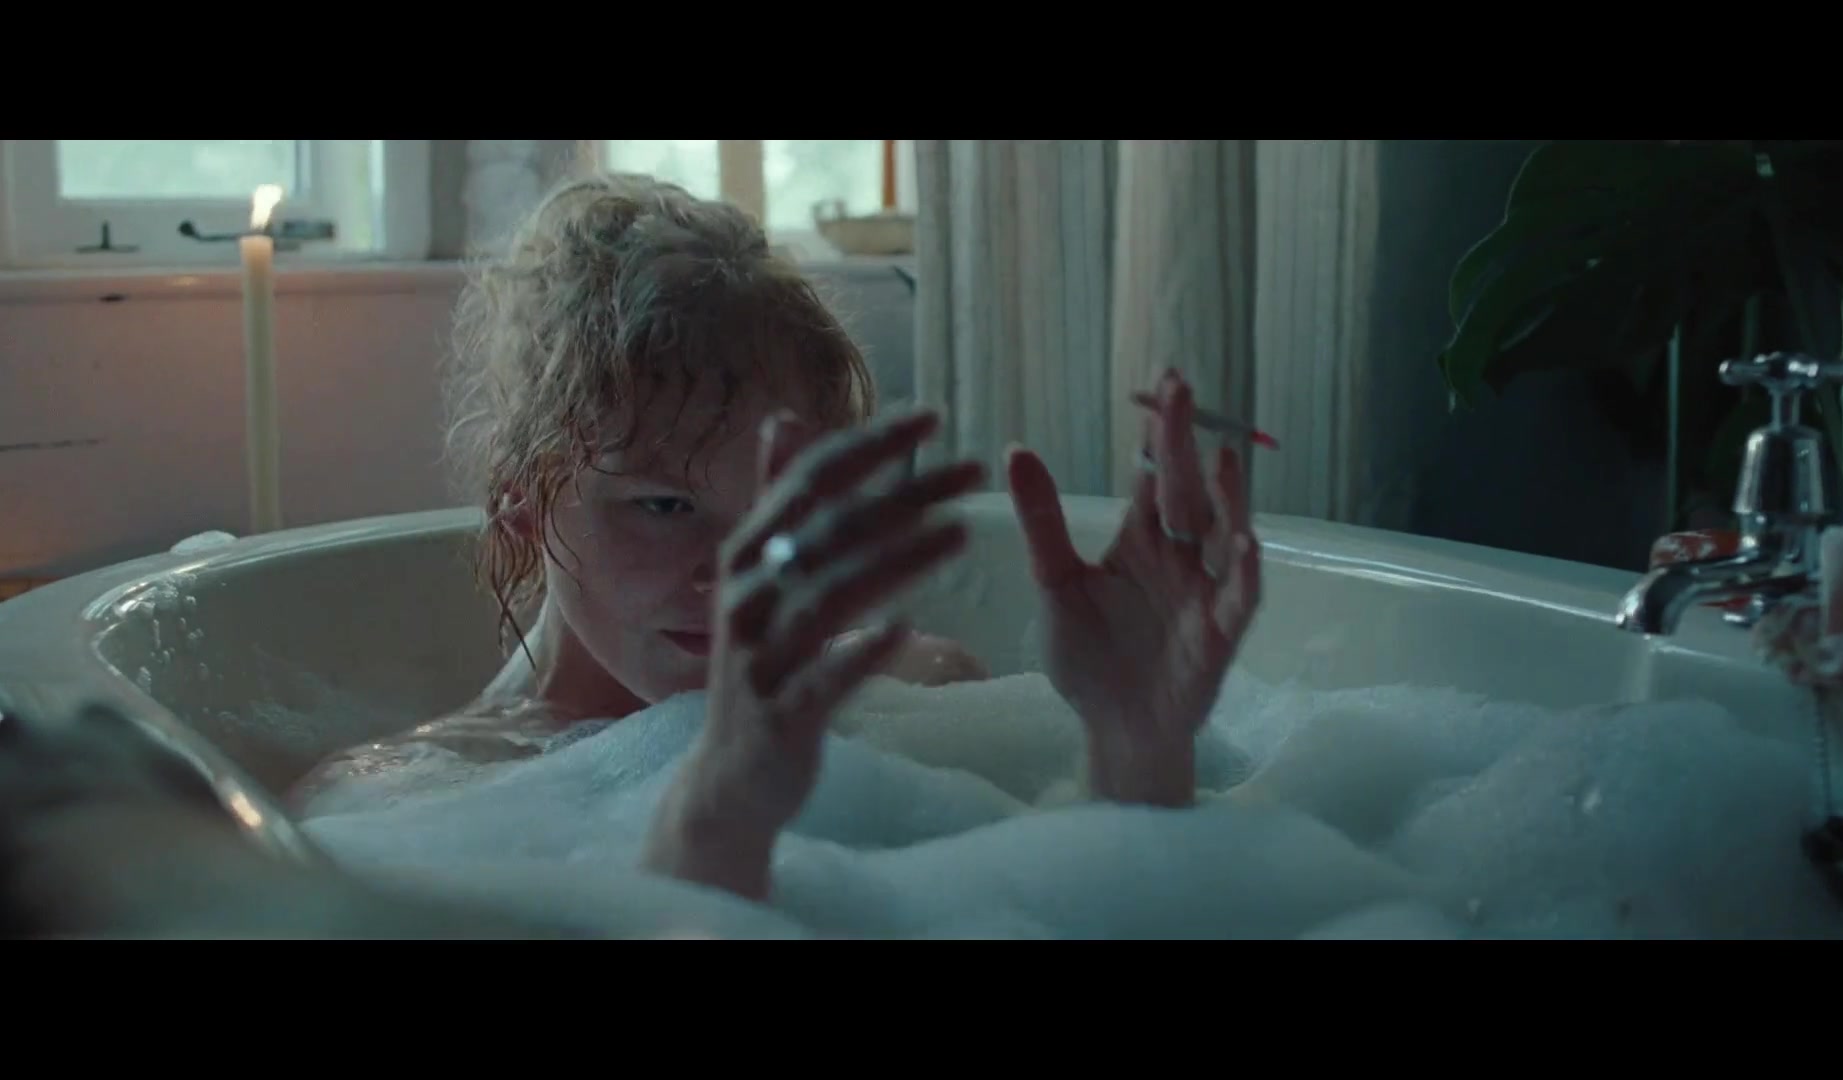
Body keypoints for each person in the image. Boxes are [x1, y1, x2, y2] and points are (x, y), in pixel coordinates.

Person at [287, 171, 1269, 907]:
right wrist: (717, 815)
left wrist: (1138, 757)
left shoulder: (924, 692)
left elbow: (1084, 911)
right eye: (664, 506)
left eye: (778, 509)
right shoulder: (407, 808)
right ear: (520, 504)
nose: (735, 574)